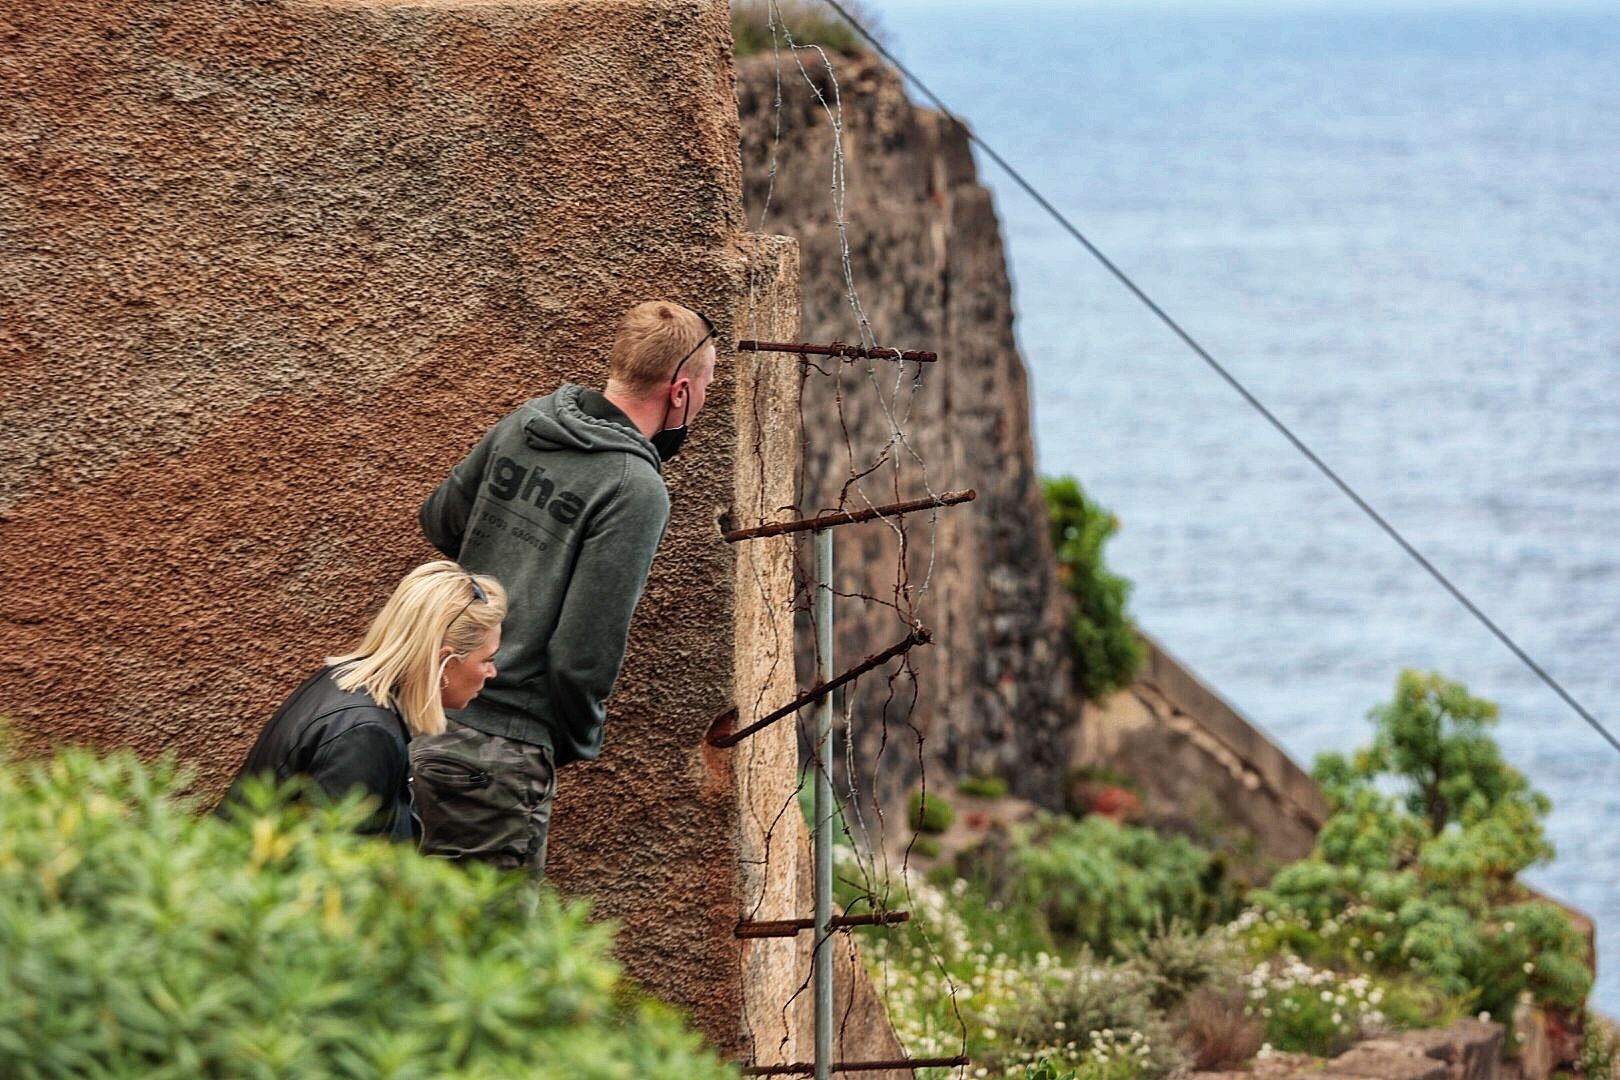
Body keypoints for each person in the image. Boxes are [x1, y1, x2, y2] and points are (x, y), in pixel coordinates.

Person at [411, 300, 718, 875]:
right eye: (706, 385)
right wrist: (573, 739)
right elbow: (583, 651)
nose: (703, 401)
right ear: (678, 392)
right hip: (500, 751)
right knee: (486, 956)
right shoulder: (634, 486)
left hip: (420, 712)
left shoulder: (529, 423)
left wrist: (507, 572)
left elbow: (441, 520)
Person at [220, 561, 507, 839]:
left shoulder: (348, 686)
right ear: (445, 661)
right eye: (488, 659)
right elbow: (333, 875)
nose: (493, 672)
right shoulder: (366, 735)